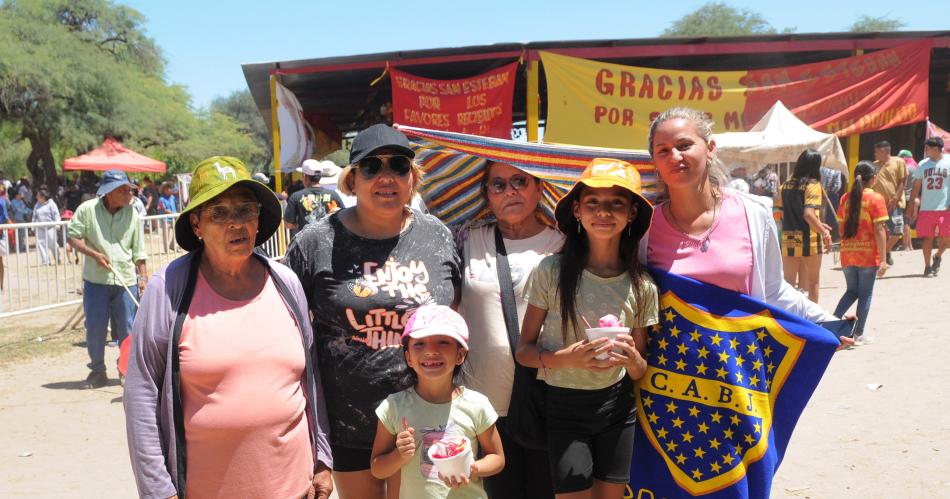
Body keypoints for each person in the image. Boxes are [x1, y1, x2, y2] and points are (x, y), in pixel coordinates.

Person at [123, 156, 334, 499]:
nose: (235, 223)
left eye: (245, 211)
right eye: (219, 213)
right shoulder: (169, 289)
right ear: (197, 225)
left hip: (294, 486)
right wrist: (159, 491)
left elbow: (311, 380)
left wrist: (323, 459)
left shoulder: (286, 283)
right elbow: (141, 393)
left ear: (258, 219)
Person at [285, 124, 461, 499]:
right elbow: (286, 329)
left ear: (412, 178)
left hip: (422, 420)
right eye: (370, 167)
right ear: (351, 180)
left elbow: (453, 315)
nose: (386, 177)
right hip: (348, 422)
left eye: (398, 166)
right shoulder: (315, 243)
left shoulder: (439, 236)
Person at [516, 158, 657, 499]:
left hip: (617, 410)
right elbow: (524, 353)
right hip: (563, 409)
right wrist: (568, 359)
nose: (603, 212)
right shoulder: (550, 272)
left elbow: (640, 370)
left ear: (632, 214)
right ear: (577, 211)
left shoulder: (642, 286)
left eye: (615, 204)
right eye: (592, 203)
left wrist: (630, 359)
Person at [643, 107, 838, 325]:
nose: (675, 156)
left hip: (739, 358)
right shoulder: (644, 230)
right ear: (655, 161)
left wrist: (827, 322)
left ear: (710, 148)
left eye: (684, 146)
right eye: (663, 151)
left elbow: (773, 290)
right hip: (669, 359)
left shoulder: (754, 214)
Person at [457, 160, 563, 499]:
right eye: (498, 185)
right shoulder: (468, 239)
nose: (510, 191)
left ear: (538, 187)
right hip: (485, 409)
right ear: (487, 195)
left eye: (520, 181)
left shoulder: (564, 244)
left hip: (545, 400)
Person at [371, 304, 505, 498]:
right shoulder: (394, 407)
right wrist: (398, 456)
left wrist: (472, 468)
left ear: (460, 354)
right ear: (408, 357)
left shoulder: (477, 405)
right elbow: (377, 468)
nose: (431, 350)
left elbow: (497, 458)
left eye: (443, 342)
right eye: (419, 344)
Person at [67, 169, 147, 389]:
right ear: (109, 192)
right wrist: (94, 254)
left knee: (128, 329)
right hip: (96, 281)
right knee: (95, 328)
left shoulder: (132, 213)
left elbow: (139, 251)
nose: (129, 194)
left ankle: (126, 370)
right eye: (124, 190)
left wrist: (143, 279)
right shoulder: (87, 210)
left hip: (125, 279)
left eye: (130, 190)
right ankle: (97, 371)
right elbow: (73, 237)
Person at [833, 161, 888, 346]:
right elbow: (879, 229)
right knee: (865, 294)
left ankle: (832, 321)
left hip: (848, 253)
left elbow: (841, 228)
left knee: (852, 291)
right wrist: (884, 258)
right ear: (873, 179)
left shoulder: (845, 198)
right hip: (867, 254)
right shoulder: (876, 199)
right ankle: (858, 334)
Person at [775, 149, 831, 302]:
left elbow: (783, 211)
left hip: (789, 237)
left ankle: (788, 320)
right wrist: (823, 232)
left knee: (788, 285)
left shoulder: (785, 185)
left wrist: (818, 222)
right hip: (809, 239)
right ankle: (812, 322)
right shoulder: (813, 185)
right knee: (813, 283)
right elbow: (808, 214)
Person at [907, 136, 950, 277]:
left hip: (945, 207)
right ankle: (927, 266)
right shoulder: (923, 164)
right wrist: (911, 204)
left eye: (928, 148)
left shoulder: (949, 161)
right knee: (928, 238)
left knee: (947, 238)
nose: (925, 150)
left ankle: (937, 256)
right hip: (926, 208)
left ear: (937, 149)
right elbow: (916, 186)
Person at [284, 159, 344, 239]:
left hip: (305, 244)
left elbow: (288, 224)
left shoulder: (296, 196)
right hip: (328, 243)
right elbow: (344, 218)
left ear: (305, 176)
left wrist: (301, 223)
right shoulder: (333, 195)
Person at [872, 141, 908, 266]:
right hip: (877, 205)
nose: (874, 154)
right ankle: (881, 256)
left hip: (894, 204)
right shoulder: (873, 166)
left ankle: (886, 251)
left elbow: (903, 181)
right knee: (878, 231)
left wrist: (895, 198)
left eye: (876, 151)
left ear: (884, 151)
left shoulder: (898, 162)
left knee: (898, 231)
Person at [32, 189, 61, 265]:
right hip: (40, 227)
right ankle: (46, 261)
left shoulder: (51, 204)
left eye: (38, 195)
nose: (36, 197)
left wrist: (57, 224)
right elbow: (34, 216)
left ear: (43, 197)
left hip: (50, 227)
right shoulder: (37, 205)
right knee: (41, 244)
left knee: (53, 244)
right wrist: (33, 225)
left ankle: (57, 257)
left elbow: (56, 215)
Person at [898, 149, 918, 251]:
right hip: (913, 197)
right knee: (908, 222)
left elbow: (903, 184)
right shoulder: (915, 167)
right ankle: (910, 245)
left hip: (905, 197)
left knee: (905, 221)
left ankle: (905, 246)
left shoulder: (906, 168)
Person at [157, 181, 178, 251]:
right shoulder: (161, 199)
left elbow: (176, 205)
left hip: (174, 218)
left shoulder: (173, 197)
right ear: (164, 190)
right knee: (166, 234)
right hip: (166, 219)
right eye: (167, 189)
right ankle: (166, 249)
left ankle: (172, 245)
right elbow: (163, 209)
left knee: (177, 232)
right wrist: (172, 213)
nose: (169, 190)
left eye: (169, 188)